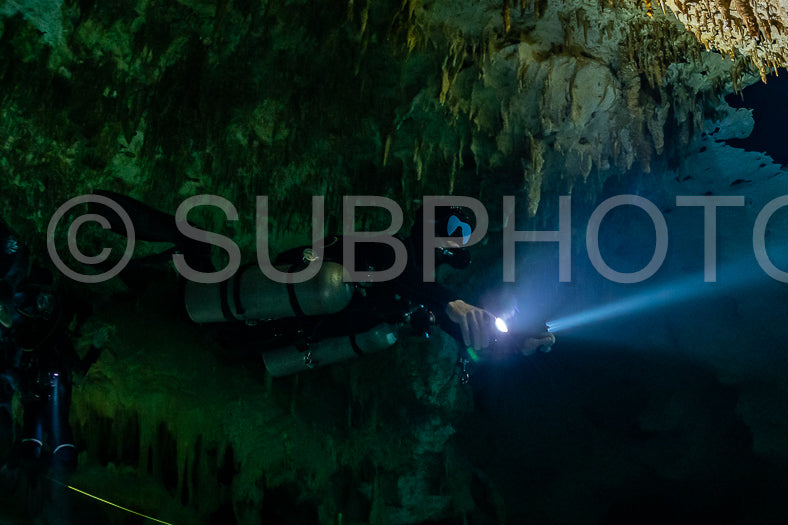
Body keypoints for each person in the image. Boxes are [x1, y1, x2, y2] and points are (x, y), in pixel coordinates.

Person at [89, 192, 553, 377]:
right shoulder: (387, 250)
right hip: (257, 321)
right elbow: (415, 283)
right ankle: (115, 235)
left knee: (188, 262)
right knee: (186, 262)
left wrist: (515, 342)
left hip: (264, 332)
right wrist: (453, 302)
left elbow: (465, 334)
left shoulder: (417, 291)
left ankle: (121, 246)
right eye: (456, 237)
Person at [0, 222, 103, 477]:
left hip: (42, 400)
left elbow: (76, 371)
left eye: (47, 300)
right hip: (41, 400)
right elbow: (77, 371)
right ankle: (39, 487)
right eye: (40, 299)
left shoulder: (45, 335)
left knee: (43, 446)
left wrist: (96, 346)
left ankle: (45, 489)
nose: (43, 306)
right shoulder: (32, 334)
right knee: (41, 445)